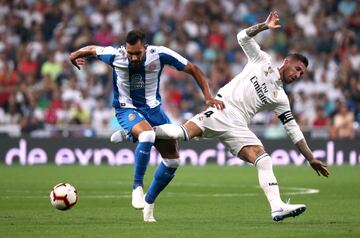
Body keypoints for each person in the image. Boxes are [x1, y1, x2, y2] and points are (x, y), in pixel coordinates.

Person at [113, 11, 330, 222]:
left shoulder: (281, 98)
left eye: (302, 74)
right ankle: (134, 132)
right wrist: (264, 26)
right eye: (298, 69)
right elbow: (242, 37)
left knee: (264, 160)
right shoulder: (262, 60)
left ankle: (277, 207)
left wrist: (310, 157)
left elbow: (293, 129)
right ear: (287, 62)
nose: (298, 75)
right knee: (180, 133)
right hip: (221, 108)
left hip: (239, 126)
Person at [69, 30, 224, 222]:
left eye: (137, 53)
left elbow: (194, 69)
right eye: (129, 52)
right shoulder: (115, 55)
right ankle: (137, 187)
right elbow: (92, 49)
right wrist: (74, 55)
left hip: (154, 111)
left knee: (173, 161)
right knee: (148, 135)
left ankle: (148, 202)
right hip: (127, 109)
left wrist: (208, 96)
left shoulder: (159, 54)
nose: (133, 57)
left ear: (146, 47)